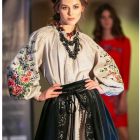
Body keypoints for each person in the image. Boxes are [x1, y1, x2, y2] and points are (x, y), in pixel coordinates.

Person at [7, 0, 124, 140]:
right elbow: (19, 65)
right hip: (59, 101)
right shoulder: (43, 36)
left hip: (89, 103)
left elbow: (109, 66)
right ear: (57, 9)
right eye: (65, 7)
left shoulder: (87, 41)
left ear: (82, 8)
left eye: (75, 7)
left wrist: (101, 86)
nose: (70, 12)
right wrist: (37, 94)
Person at [92, 3, 131, 140]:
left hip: (117, 96)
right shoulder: (94, 43)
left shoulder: (124, 42)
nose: (107, 20)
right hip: (100, 94)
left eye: (110, 17)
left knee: (123, 135)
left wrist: (123, 99)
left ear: (114, 19)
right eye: (103, 17)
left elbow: (125, 71)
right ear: (99, 20)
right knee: (101, 135)